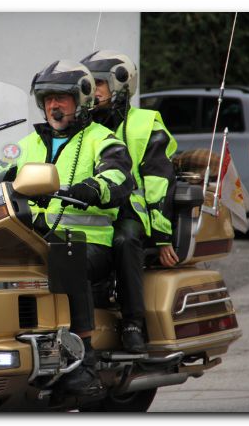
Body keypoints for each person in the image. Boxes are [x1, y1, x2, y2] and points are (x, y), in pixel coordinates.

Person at [16, 60, 133, 394]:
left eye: (62, 98)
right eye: (48, 98)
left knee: (67, 256)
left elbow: (119, 176)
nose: (54, 105)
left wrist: (92, 188)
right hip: (37, 235)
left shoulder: (102, 139)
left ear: (80, 100)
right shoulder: (29, 144)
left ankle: (85, 361)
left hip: (91, 244)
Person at [80, 50, 179, 352]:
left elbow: (159, 182)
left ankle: (134, 322)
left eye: (98, 83)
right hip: (89, 212)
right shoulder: (80, 124)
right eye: (87, 84)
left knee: (125, 239)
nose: (92, 91)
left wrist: (163, 238)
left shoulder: (145, 123)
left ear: (121, 84)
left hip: (128, 212)